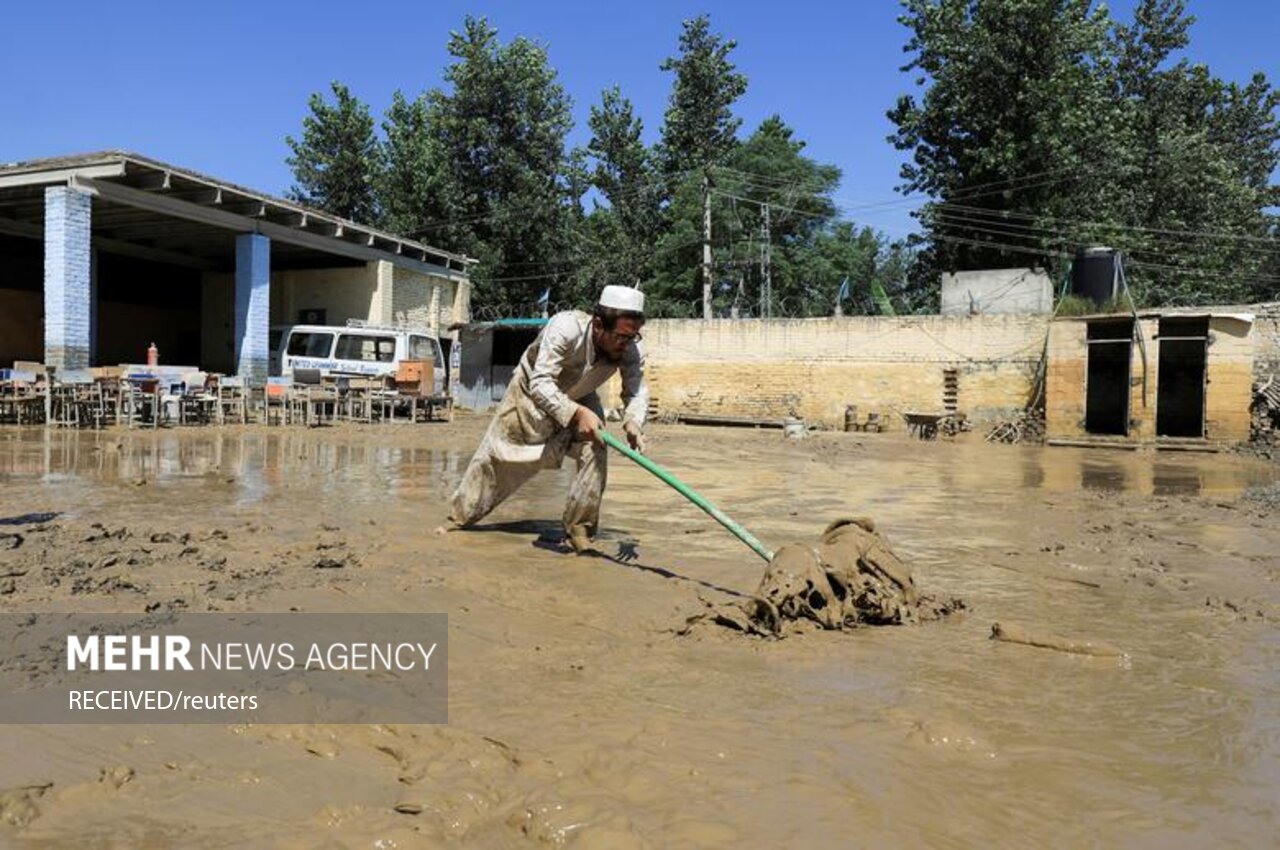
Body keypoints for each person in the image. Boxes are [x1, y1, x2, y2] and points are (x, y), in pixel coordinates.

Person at [446, 285, 649, 553]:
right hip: (528, 395)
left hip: (581, 396)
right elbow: (541, 384)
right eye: (621, 336)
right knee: (495, 457)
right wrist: (576, 413)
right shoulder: (566, 327)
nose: (626, 343)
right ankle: (458, 519)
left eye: (632, 336)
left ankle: (580, 530)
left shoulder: (629, 347)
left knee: (596, 447)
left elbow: (636, 390)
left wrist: (633, 421)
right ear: (598, 324)